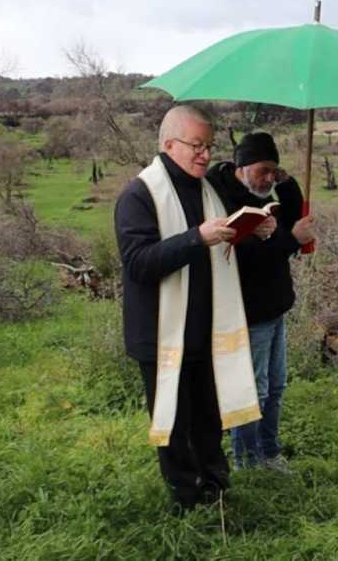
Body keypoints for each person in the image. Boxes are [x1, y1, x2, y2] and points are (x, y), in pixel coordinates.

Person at [114, 105, 261, 511]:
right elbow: (139, 264)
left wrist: (251, 230)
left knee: (208, 419)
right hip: (161, 334)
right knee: (176, 426)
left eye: (209, 146)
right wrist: (197, 237)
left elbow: (219, 247)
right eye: (196, 145)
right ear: (168, 144)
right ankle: (186, 499)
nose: (204, 155)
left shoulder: (207, 190)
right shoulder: (139, 194)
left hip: (206, 329)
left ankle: (216, 488)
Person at [206, 132, 315, 472]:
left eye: (274, 171)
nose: (269, 178)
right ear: (243, 166)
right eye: (264, 170)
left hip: (276, 305)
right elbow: (241, 255)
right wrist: (288, 241)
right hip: (247, 310)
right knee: (253, 390)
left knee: (277, 385)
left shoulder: (268, 193)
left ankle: (269, 452)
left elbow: (293, 221)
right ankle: (247, 461)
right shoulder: (219, 197)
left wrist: (289, 181)